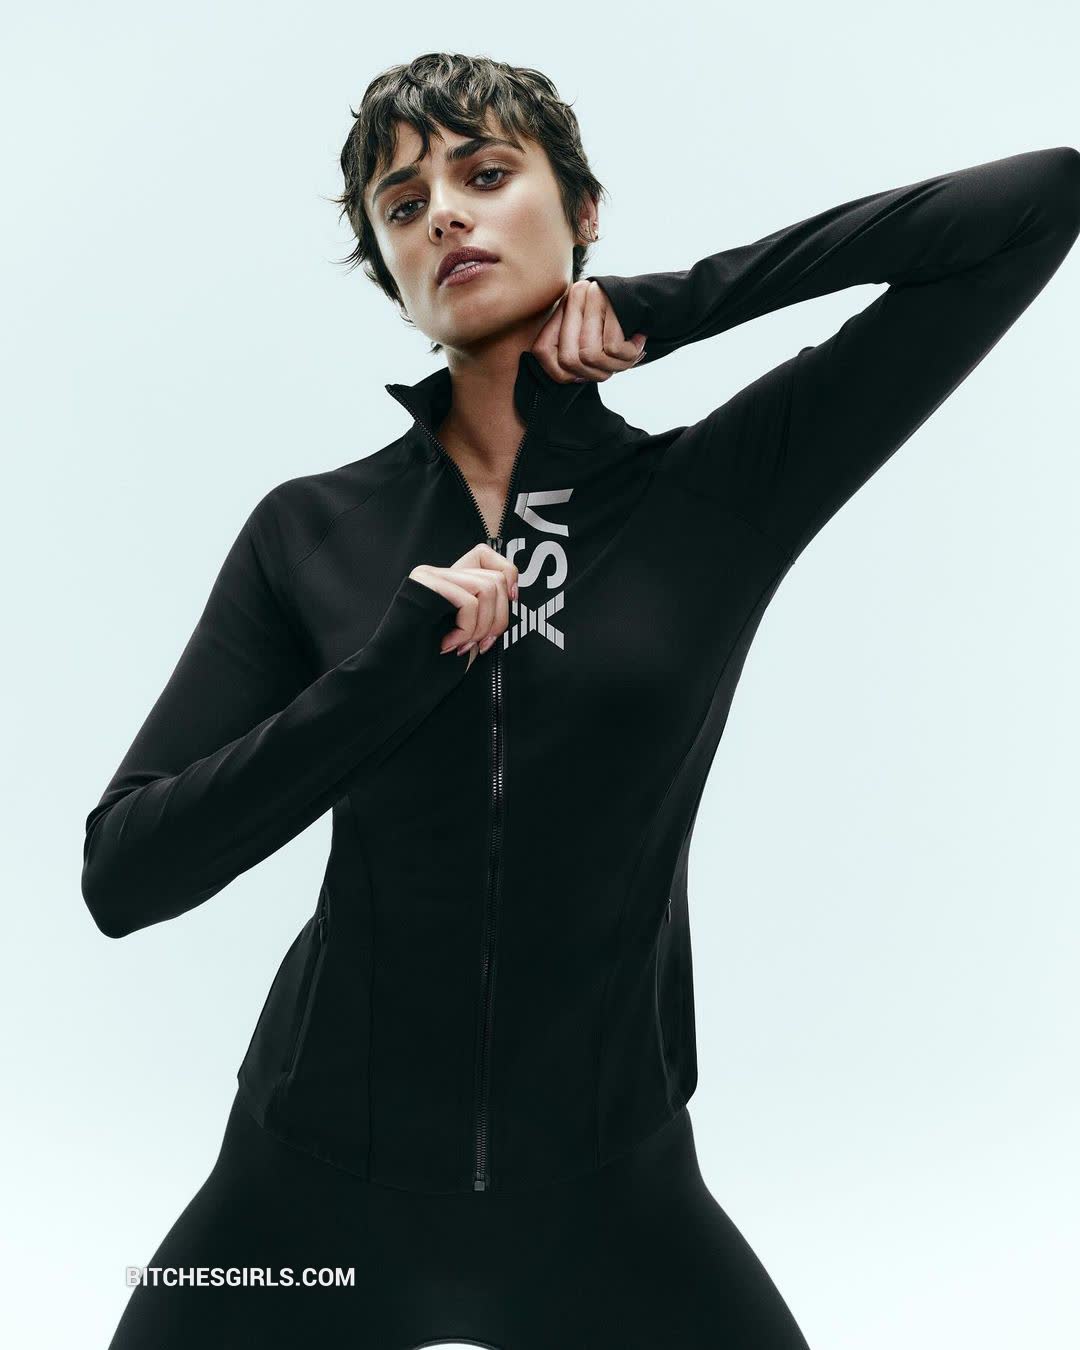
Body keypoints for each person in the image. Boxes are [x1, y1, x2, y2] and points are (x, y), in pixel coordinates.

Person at [84, 50, 1080, 1350]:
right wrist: (382, 680)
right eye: (403, 206)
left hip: (612, 1203)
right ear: (392, 275)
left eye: (487, 173)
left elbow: (1038, 201)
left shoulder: (717, 495)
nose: (444, 214)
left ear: (583, 211)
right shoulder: (307, 531)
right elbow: (125, 872)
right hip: (304, 1205)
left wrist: (678, 307)